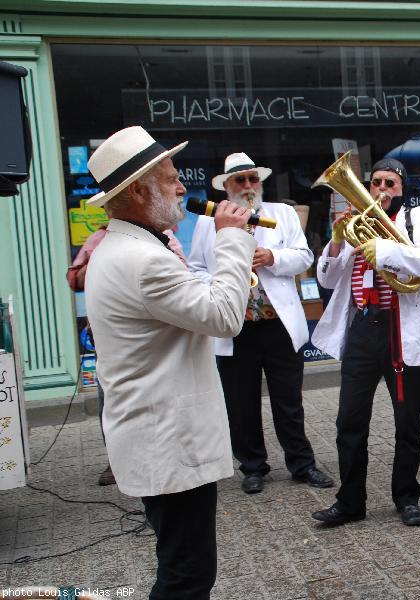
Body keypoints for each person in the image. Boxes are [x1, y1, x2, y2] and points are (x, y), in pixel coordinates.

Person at [84, 126, 256, 598]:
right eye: (171, 178)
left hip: (156, 436)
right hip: (168, 442)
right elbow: (224, 317)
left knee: (182, 565)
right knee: (187, 575)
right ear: (138, 191)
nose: (183, 187)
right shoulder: (144, 259)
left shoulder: (124, 247)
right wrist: (233, 240)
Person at [310, 157, 420, 527]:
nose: (381, 189)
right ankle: (350, 501)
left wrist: (385, 251)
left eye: (390, 183)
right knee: (349, 421)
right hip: (362, 330)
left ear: (402, 187)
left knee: (407, 420)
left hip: (400, 330)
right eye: (375, 183)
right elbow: (326, 279)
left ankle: (406, 496)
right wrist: (337, 242)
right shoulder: (357, 224)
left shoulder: (419, 220)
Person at [189, 153, 333, 494]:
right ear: (227, 187)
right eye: (240, 181)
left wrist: (272, 258)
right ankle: (252, 466)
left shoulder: (282, 213)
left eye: (253, 179)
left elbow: (304, 256)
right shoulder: (207, 221)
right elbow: (195, 268)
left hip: (277, 324)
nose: (249, 186)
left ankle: (302, 463)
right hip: (235, 326)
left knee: (289, 400)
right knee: (241, 403)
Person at [67, 225, 186, 487]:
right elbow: (74, 279)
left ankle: (164, 454)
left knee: (158, 395)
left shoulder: (166, 239)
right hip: (111, 335)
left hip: (155, 335)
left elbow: (181, 275)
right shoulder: (100, 238)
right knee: (111, 398)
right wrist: (98, 260)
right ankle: (117, 459)